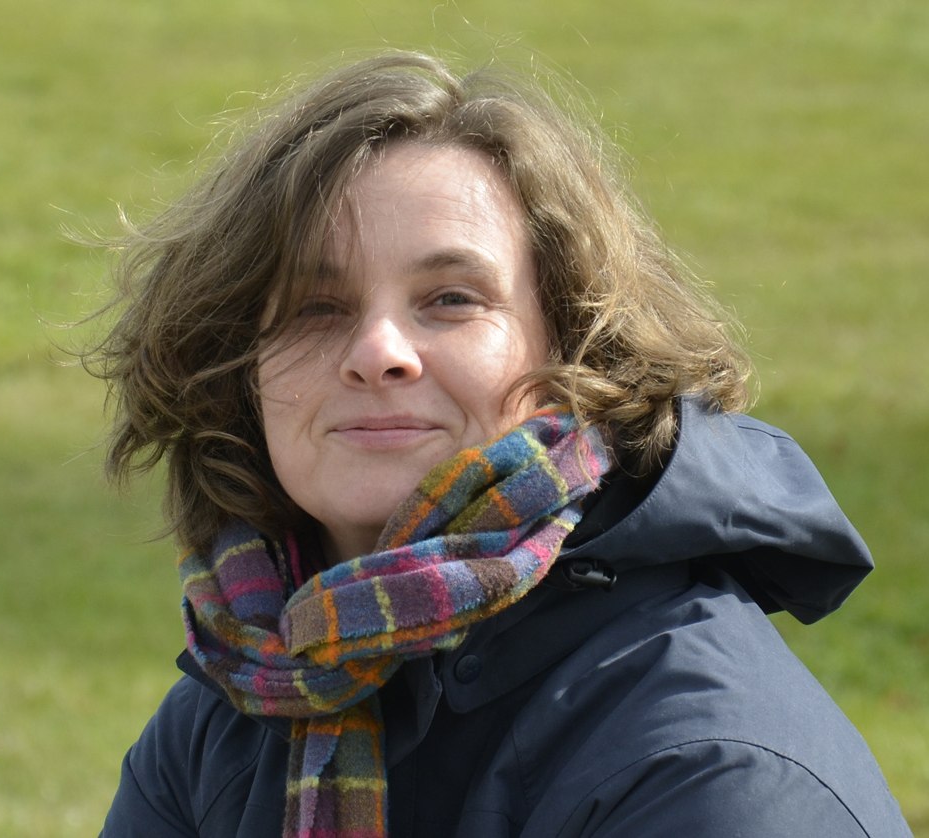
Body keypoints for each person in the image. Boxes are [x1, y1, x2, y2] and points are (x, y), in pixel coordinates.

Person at [92, 51, 911, 837]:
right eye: (316, 307)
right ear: (241, 366)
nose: (379, 351)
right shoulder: (241, 694)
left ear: (573, 354)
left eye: (450, 298)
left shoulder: (708, 769)